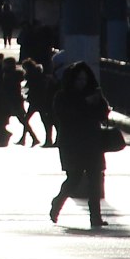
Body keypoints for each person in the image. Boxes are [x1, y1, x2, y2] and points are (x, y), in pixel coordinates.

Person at [49, 63, 111, 229]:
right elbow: (66, 115)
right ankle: (57, 203)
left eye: (84, 79)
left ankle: (95, 217)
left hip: (92, 142)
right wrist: (85, 103)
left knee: (95, 180)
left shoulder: (94, 94)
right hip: (72, 143)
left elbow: (103, 114)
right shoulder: (63, 96)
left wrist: (97, 101)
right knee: (74, 178)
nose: (82, 82)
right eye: (79, 79)